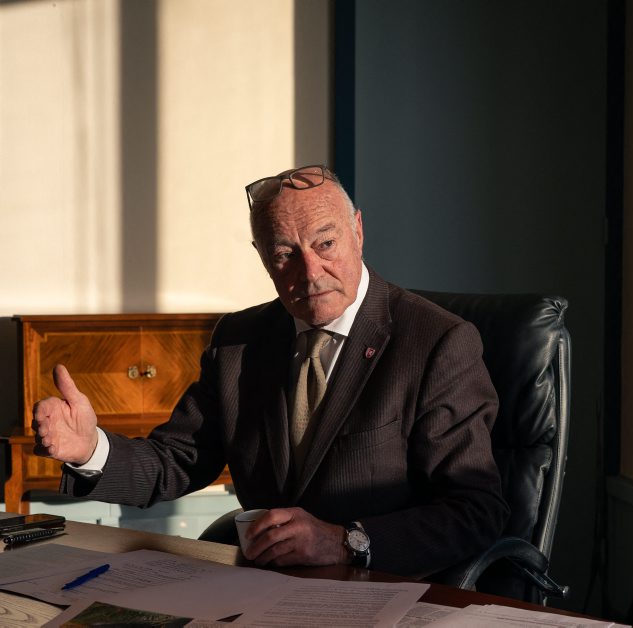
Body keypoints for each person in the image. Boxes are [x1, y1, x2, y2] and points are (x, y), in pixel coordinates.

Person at [32, 165, 509, 578]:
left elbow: (476, 511)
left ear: (358, 231)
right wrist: (90, 449)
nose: (310, 271)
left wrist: (347, 542)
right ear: (262, 257)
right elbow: (176, 462)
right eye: (284, 254)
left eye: (326, 243)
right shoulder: (239, 341)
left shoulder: (437, 342)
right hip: (266, 592)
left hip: (385, 591)